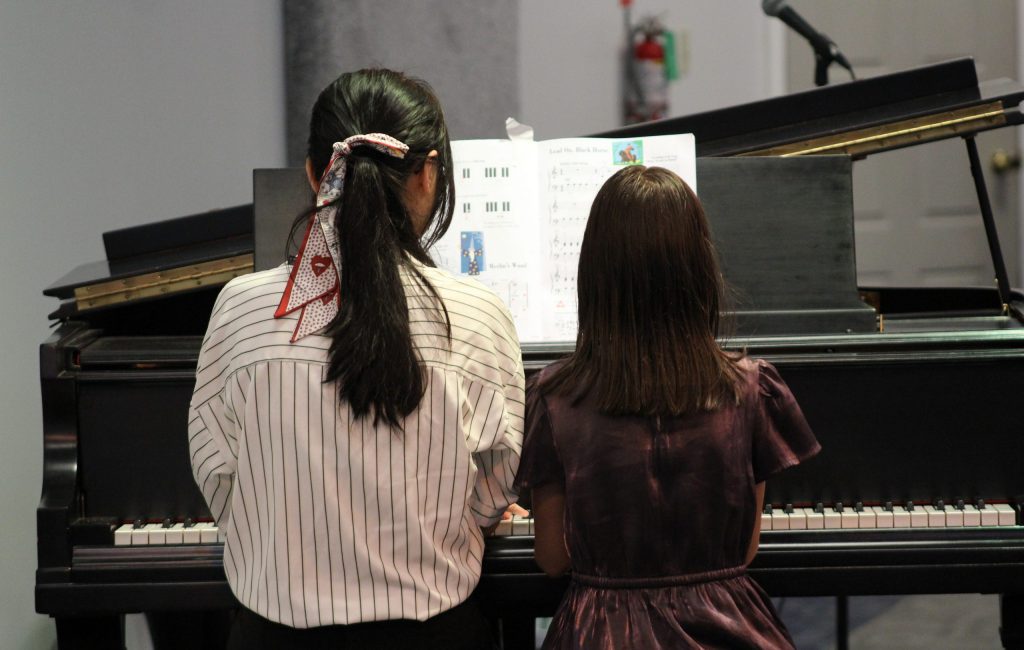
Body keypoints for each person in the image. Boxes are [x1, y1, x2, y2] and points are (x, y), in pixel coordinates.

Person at [188, 68, 524, 649]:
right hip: (435, 636)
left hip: (276, 638)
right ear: (428, 174)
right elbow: (496, 484)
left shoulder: (240, 309)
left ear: (314, 173)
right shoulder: (478, 314)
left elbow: (218, 477)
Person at [515, 165, 820, 649]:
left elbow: (553, 557)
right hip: (729, 629)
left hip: (602, 632)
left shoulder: (554, 396)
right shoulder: (749, 387)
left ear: (595, 273)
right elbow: (745, 550)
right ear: (698, 267)